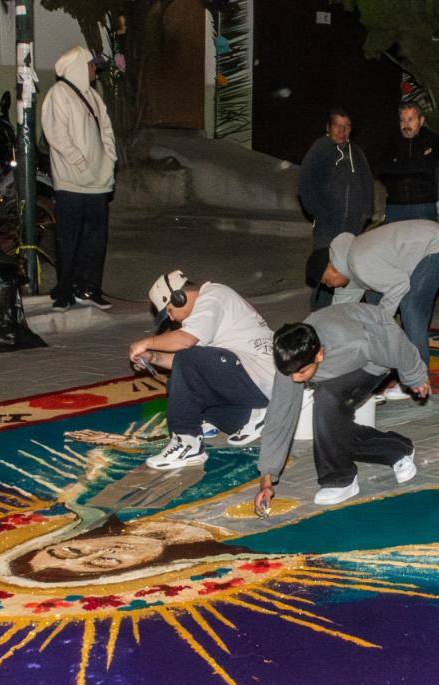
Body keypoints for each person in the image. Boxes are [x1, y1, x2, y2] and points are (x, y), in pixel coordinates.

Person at [255, 304, 429, 508]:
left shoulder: (355, 343)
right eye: (290, 373)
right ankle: (396, 449)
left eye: (301, 373)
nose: (295, 379)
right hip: (338, 357)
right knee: (330, 428)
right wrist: (267, 477)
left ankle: (340, 479)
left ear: (319, 355)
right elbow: (280, 413)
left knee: (326, 400)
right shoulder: (292, 359)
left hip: (371, 359)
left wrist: (415, 375)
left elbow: (393, 339)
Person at [131, 270, 275, 470]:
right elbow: (185, 366)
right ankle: (253, 415)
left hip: (261, 375)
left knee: (188, 357)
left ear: (179, 298)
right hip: (252, 383)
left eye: (169, 311)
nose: (171, 318)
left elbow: (186, 343)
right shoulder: (204, 313)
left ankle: (187, 442)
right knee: (179, 385)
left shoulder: (214, 295)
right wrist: (153, 357)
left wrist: (147, 342)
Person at [312, 218, 439, 371]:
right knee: (374, 301)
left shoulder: (359, 262)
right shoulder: (346, 267)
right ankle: (387, 358)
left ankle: (418, 374)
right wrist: (319, 344)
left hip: (436, 245)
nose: (329, 287)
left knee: (411, 307)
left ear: (333, 268)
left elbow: (400, 284)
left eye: (327, 281)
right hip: (416, 252)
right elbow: (338, 315)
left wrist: (379, 322)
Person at [42, 46, 116, 311]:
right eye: (91, 65)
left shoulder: (93, 96)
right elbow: (57, 136)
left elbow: (106, 130)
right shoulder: (58, 94)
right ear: (78, 67)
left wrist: (109, 159)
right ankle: (64, 292)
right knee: (68, 240)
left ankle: (89, 288)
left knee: (96, 239)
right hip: (71, 183)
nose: (95, 70)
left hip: (98, 183)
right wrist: (81, 164)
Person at [298, 108, 373, 307]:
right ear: (328, 127)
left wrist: (366, 212)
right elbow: (305, 185)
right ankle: (320, 315)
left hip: (352, 227)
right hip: (327, 227)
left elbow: (367, 183)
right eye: (338, 126)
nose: (342, 131)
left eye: (346, 127)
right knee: (327, 273)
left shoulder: (356, 152)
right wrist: (319, 212)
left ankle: (349, 312)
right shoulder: (319, 150)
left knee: (350, 272)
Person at [378, 102, 439, 222]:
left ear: (421, 121)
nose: (406, 125)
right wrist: (414, 163)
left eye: (410, 119)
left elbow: (426, 167)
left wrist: (397, 165)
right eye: (402, 120)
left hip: (423, 205)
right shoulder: (390, 141)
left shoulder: (432, 139)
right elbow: (382, 169)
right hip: (395, 205)